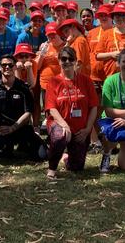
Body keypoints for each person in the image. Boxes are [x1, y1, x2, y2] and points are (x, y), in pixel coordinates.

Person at [45, 47, 98, 178]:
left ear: (75, 62)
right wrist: (64, 125)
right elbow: (51, 108)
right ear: (59, 61)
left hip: (80, 130)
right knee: (60, 137)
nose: (67, 62)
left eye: (71, 59)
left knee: (77, 167)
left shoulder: (86, 81)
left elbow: (94, 107)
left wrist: (87, 129)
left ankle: (66, 157)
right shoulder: (53, 82)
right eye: (63, 59)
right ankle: (52, 168)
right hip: (60, 124)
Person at [0, 54, 45, 160]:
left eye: (10, 65)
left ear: (15, 67)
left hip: (20, 127)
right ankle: (6, 147)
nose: (7, 67)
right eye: (4, 65)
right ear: (0, 68)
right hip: (1, 129)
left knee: (41, 155)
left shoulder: (24, 88)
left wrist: (13, 127)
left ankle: (23, 146)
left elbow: (28, 112)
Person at [95, 3, 125, 79]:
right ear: (113, 18)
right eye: (117, 15)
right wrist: (111, 54)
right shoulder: (106, 34)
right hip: (110, 77)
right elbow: (97, 56)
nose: (120, 18)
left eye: (123, 15)